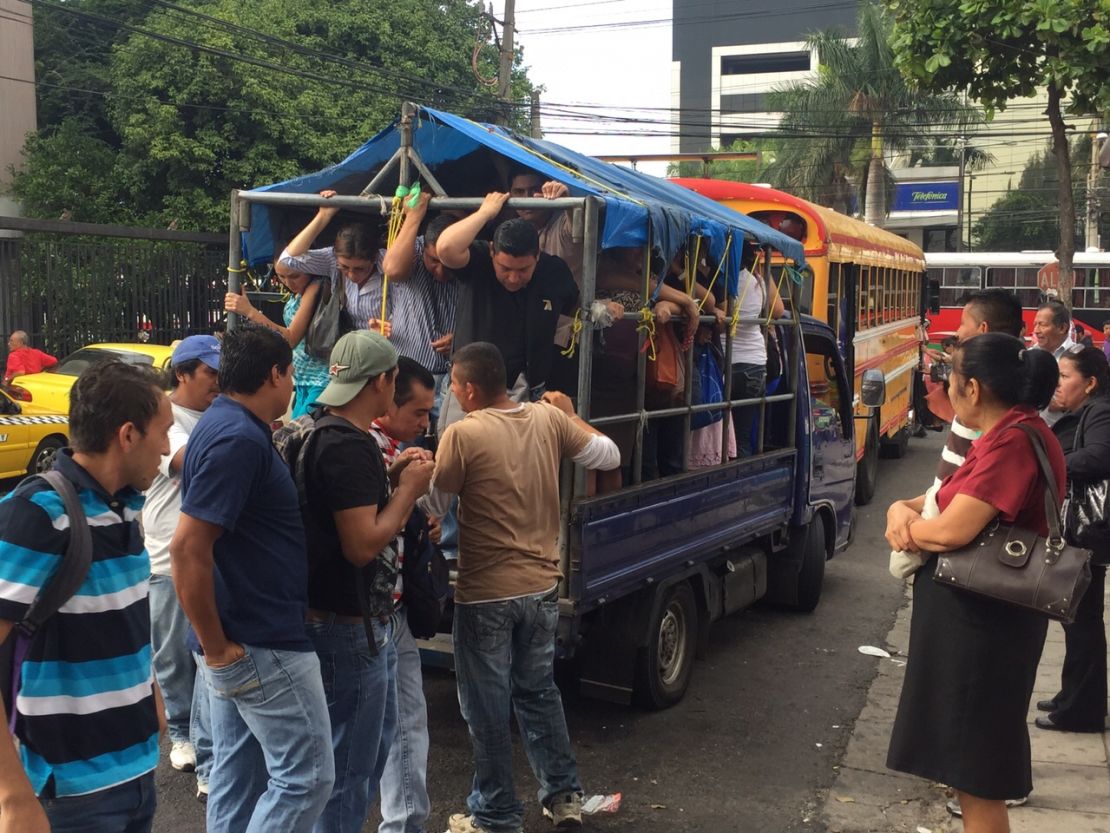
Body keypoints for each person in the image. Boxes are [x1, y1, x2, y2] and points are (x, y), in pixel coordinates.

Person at [425, 342, 620, 833]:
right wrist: (573, 416)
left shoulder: (461, 434)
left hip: (486, 591)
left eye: (452, 383)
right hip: (541, 589)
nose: (450, 390)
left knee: (486, 706)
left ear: (470, 389)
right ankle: (565, 797)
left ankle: (495, 813)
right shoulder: (546, 419)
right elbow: (608, 453)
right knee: (537, 692)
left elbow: (434, 504)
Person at [885, 333, 1064, 833]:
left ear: (974, 389)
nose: (947, 385)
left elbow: (952, 529)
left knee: (977, 777)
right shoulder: (1007, 432)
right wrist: (903, 509)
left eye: (952, 377)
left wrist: (906, 531)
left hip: (985, 631)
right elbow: (940, 499)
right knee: (969, 773)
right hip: (975, 625)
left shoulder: (1012, 442)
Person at [171, 325, 335, 833]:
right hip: (260, 639)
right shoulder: (236, 438)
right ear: (276, 374)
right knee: (306, 778)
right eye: (290, 374)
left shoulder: (227, 424)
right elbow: (186, 547)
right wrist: (216, 647)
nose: (292, 384)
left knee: (237, 776)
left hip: (243, 634)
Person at [0, 360, 173, 833]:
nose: (167, 447)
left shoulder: (124, 510)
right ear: (128, 435)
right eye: (163, 431)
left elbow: (121, 622)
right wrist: (12, 795)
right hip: (68, 795)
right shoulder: (38, 515)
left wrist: (151, 695)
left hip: (137, 774)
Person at [297, 332, 434, 833]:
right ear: (382, 382)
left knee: (364, 751)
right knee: (348, 769)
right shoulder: (349, 446)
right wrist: (408, 492)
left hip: (345, 618)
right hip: (349, 624)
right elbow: (361, 544)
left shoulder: (316, 426)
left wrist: (392, 483)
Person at [141, 335, 221, 801]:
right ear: (183, 374)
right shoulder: (164, 420)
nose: (218, 380)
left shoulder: (216, 414)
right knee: (172, 654)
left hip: (208, 553)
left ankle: (202, 741)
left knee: (206, 654)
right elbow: (193, 463)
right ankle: (181, 733)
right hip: (166, 554)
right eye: (210, 372)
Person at [369, 357, 438, 833]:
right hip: (370, 619)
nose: (425, 423)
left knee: (406, 728)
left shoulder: (399, 448)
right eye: (418, 412)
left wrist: (418, 522)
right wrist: (406, 499)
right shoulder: (364, 450)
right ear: (388, 401)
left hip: (394, 614)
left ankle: (406, 823)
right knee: (370, 737)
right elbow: (363, 536)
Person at [434, 193, 579, 413]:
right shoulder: (478, 259)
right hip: (471, 389)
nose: (513, 278)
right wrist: (485, 213)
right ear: (492, 251)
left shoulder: (554, 271)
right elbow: (445, 248)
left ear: (537, 257)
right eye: (505, 269)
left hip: (529, 389)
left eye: (523, 270)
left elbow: (570, 309)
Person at [1036, 345, 1109, 733]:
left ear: (1091, 383)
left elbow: (1099, 457)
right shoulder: (1085, 411)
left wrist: (1052, 464)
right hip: (1087, 534)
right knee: (1076, 618)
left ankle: (1082, 710)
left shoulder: (1100, 411)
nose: (1058, 384)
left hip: (1089, 531)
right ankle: (1073, 697)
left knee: (1083, 621)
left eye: (1065, 377)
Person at [379, 199, 460, 415]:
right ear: (423, 247)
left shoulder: (470, 257)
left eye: (447, 261)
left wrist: (461, 338)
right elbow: (392, 269)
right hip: (409, 378)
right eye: (433, 260)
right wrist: (414, 217)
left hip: (454, 382)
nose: (441, 270)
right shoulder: (413, 249)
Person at [224, 257, 329, 418]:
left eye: (294, 276)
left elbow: (291, 338)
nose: (288, 282)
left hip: (320, 378)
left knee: (300, 434)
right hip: (303, 379)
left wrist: (250, 311)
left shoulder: (315, 286)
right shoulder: (297, 294)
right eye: (281, 276)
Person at [280, 189, 387, 332]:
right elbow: (288, 259)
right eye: (344, 267)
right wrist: (323, 215)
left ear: (375, 258)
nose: (352, 275)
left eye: (360, 269)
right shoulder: (331, 260)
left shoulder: (388, 263)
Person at [726, 244, 785, 456]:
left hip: (726, 363)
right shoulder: (757, 282)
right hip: (756, 364)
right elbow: (778, 310)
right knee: (742, 435)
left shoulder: (723, 280)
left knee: (721, 434)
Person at [508, 170, 584, 285]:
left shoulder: (563, 222)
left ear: (545, 190)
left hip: (570, 302)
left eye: (534, 190)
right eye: (519, 192)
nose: (527, 198)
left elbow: (577, 227)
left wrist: (567, 201)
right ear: (510, 195)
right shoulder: (513, 229)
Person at [1032, 300, 1076, 426]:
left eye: (1042, 325)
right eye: (1035, 324)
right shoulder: (1029, 355)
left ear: (1062, 328)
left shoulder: (1078, 356)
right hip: (1033, 435)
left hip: (1065, 434)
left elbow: (1071, 400)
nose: (1036, 330)